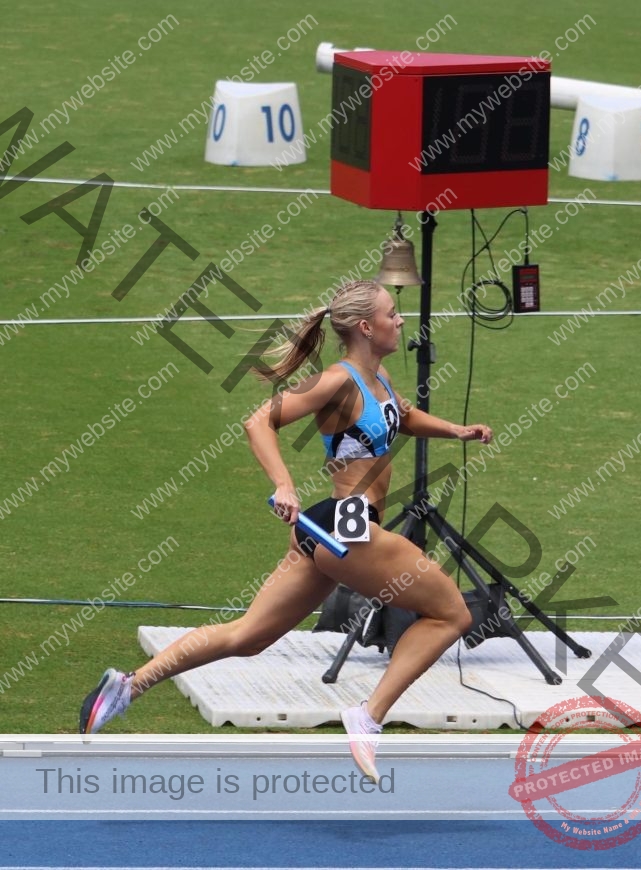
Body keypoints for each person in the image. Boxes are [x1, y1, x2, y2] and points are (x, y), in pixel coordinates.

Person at [79, 279, 493, 782]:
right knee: (450, 613)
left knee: (248, 636)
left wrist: (455, 430)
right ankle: (368, 716)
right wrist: (283, 485)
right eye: (392, 313)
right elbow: (258, 422)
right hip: (350, 531)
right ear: (367, 327)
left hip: (322, 531)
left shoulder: (376, 376)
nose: (401, 320)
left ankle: (127, 685)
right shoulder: (336, 382)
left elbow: (400, 415)